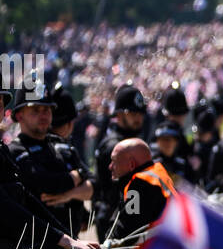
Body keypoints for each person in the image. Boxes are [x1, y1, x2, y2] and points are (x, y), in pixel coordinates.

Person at [7, 84, 94, 241]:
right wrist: (76, 178)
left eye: (47, 110)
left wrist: (69, 194)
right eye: (35, 110)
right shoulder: (14, 151)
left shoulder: (61, 144)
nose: (43, 115)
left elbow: (94, 185)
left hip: (72, 243)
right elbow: (44, 185)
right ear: (19, 115)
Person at [93, 84, 147, 240]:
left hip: (127, 216)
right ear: (120, 114)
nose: (138, 118)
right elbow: (126, 189)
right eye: (133, 113)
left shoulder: (131, 141)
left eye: (140, 113)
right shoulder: (114, 146)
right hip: (115, 220)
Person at [108, 138, 175, 241]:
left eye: (114, 161)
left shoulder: (140, 183)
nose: (110, 166)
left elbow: (126, 230)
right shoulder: (157, 174)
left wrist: (108, 241)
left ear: (131, 165)